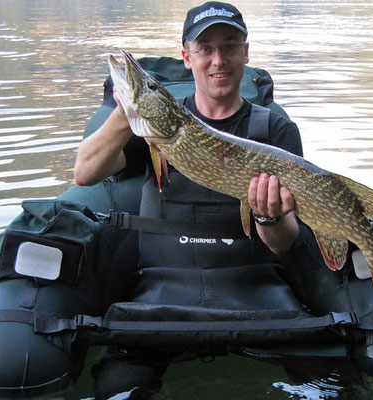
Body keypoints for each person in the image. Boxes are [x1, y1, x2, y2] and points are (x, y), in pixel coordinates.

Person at [74, 2, 304, 398]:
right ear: (187, 57)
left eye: (230, 46)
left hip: (254, 286)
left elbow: (284, 242)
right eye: (205, 48)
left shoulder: (276, 129)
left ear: (246, 53)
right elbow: (85, 174)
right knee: (114, 388)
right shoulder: (157, 128)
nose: (219, 60)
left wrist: (268, 218)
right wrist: (124, 112)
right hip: (162, 289)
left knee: (336, 382)